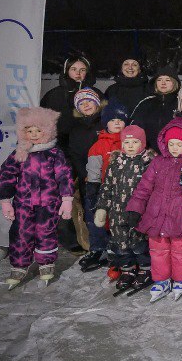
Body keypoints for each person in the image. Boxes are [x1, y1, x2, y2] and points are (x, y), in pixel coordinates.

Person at [125, 117, 182, 302]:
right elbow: (144, 188)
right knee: (158, 249)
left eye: (179, 144)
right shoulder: (157, 162)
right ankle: (162, 280)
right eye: (171, 143)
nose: (174, 148)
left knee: (180, 249)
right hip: (156, 215)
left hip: (179, 215)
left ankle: (181, 279)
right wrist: (135, 209)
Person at [0, 107, 73, 288]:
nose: (33, 135)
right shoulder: (19, 153)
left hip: (48, 203)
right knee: (20, 234)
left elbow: (64, 176)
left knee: (45, 232)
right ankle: (19, 265)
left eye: (38, 131)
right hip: (23, 203)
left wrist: (67, 199)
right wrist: (6, 200)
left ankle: (46, 263)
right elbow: (7, 175)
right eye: (29, 131)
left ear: (47, 132)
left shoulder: (54, 154)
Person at [93, 125, 155, 291]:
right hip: (117, 213)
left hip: (140, 214)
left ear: (142, 143)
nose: (130, 146)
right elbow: (106, 187)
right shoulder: (115, 163)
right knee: (121, 244)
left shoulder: (148, 163)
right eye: (127, 142)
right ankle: (127, 270)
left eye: (135, 142)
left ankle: (145, 269)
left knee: (139, 243)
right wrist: (102, 208)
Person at [80, 99, 130, 273]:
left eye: (120, 120)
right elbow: (94, 170)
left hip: (125, 190)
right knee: (97, 218)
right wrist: (93, 188)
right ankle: (98, 248)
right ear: (105, 122)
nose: (116, 123)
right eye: (112, 120)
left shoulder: (130, 142)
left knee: (120, 221)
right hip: (104, 190)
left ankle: (119, 249)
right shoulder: (98, 145)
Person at [66, 88, 106, 252]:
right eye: (82, 103)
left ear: (97, 103)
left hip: (110, 178)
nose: (86, 105)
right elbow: (75, 155)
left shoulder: (106, 123)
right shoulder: (76, 129)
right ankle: (97, 248)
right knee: (92, 214)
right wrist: (85, 175)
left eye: (89, 101)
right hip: (88, 179)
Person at [40, 55, 103, 150]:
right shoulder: (53, 94)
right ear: (66, 71)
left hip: (89, 144)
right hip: (59, 145)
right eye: (73, 69)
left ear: (87, 72)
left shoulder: (96, 94)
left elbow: (105, 118)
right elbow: (42, 121)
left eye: (82, 70)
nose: (78, 73)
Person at [130, 66, 181, 152]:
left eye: (167, 80)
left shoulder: (181, 103)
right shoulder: (145, 103)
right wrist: (145, 149)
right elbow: (134, 129)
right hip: (148, 153)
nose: (163, 83)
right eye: (159, 80)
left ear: (174, 83)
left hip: (175, 152)